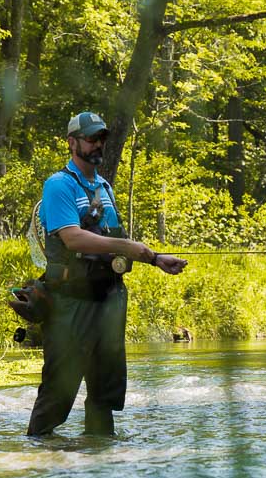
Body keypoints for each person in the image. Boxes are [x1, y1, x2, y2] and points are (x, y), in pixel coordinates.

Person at [27, 111, 187, 437]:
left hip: (109, 301)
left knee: (104, 394)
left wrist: (155, 258)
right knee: (57, 393)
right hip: (71, 304)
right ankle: (39, 455)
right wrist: (130, 246)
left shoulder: (104, 187)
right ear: (72, 143)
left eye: (101, 138)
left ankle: (102, 457)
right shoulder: (58, 185)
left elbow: (114, 244)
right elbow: (73, 238)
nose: (98, 144)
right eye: (91, 138)